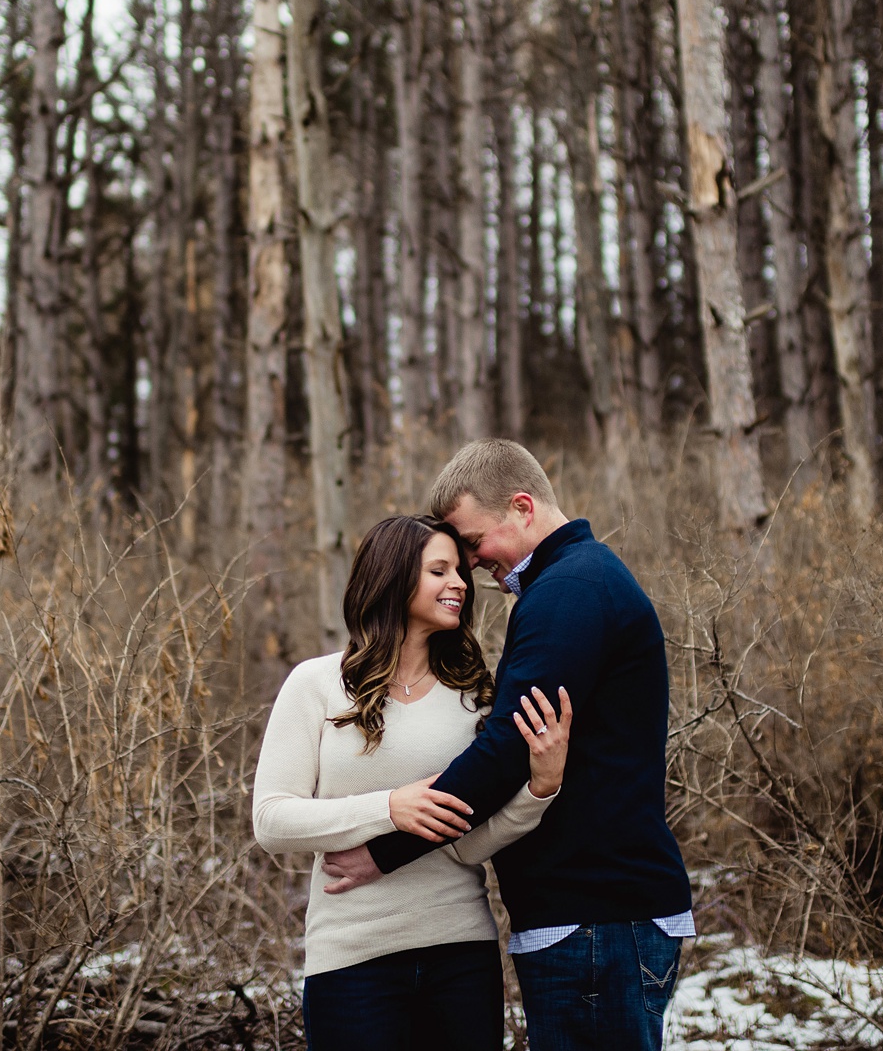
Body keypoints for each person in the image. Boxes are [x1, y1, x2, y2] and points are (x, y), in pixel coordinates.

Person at [320, 440, 692, 1051]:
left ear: (522, 507)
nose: (468, 566)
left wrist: (385, 850)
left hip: (595, 917)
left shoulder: (569, 590)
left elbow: (504, 750)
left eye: (471, 543)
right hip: (595, 917)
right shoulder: (575, 582)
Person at [252, 513, 574, 1051]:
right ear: (393, 578)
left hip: (461, 954)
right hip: (351, 960)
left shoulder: (475, 694)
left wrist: (539, 788)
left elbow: (468, 844)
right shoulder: (316, 685)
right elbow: (272, 820)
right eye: (439, 570)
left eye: (460, 571)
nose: (459, 583)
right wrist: (389, 808)